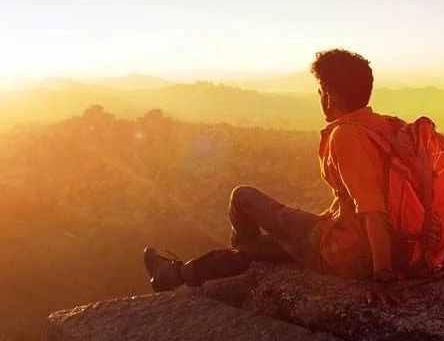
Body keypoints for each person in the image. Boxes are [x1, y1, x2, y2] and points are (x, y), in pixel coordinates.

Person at [143, 48, 405, 306]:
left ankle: (225, 262)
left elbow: (374, 211)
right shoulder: (390, 127)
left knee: (242, 197)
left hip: (347, 254)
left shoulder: (346, 136)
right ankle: (178, 273)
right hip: (394, 248)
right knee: (275, 245)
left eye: (320, 91)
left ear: (328, 96)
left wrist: (380, 276)